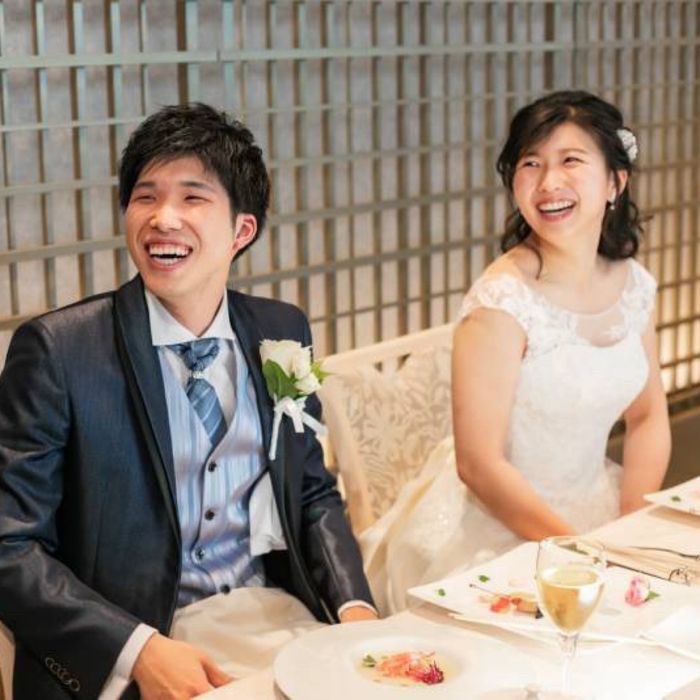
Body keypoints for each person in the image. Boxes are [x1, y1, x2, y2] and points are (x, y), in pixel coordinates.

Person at [0, 103, 376, 700]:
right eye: (145, 197)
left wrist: (355, 610)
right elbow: (10, 545)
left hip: (274, 618)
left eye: (192, 198)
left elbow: (310, 492)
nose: (162, 218)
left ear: (241, 231)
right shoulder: (59, 350)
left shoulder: (281, 330)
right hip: (137, 643)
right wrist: (138, 650)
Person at [361, 90, 670, 613]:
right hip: (499, 529)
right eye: (531, 163)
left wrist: (629, 530)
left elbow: (648, 416)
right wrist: (578, 553)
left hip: (601, 512)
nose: (548, 183)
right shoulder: (501, 300)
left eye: (570, 161)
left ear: (615, 181)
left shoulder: (633, 284)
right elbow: (479, 464)